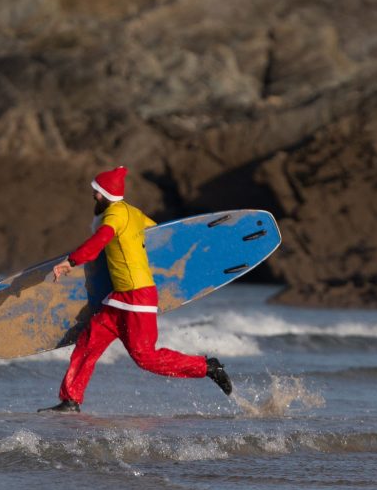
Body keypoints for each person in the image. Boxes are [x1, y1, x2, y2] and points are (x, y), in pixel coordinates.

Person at [39, 166, 233, 413]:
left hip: (137, 296)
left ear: (107, 194)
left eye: (96, 192)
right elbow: (159, 236)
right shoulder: (134, 213)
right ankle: (70, 400)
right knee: (88, 343)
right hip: (119, 298)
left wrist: (71, 262)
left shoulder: (114, 217)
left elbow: (99, 242)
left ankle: (207, 368)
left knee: (145, 358)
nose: (94, 197)